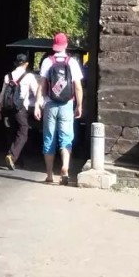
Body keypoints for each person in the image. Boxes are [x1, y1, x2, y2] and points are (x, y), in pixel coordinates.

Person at [34, 32, 84, 185]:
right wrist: (79, 105)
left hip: (50, 104)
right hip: (67, 104)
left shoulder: (47, 62)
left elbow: (41, 85)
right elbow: (78, 87)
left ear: (54, 46)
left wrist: (37, 104)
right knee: (66, 137)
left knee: (49, 138)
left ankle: (49, 175)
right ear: (66, 45)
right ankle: (65, 168)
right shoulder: (72, 62)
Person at [0, 51, 39, 169]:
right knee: (23, 133)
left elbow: (2, 94)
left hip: (8, 109)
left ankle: (18, 160)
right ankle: (12, 156)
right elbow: (36, 92)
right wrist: (40, 106)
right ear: (26, 63)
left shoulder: (7, 76)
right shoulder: (29, 76)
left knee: (13, 133)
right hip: (20, 109)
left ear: (16, 63)